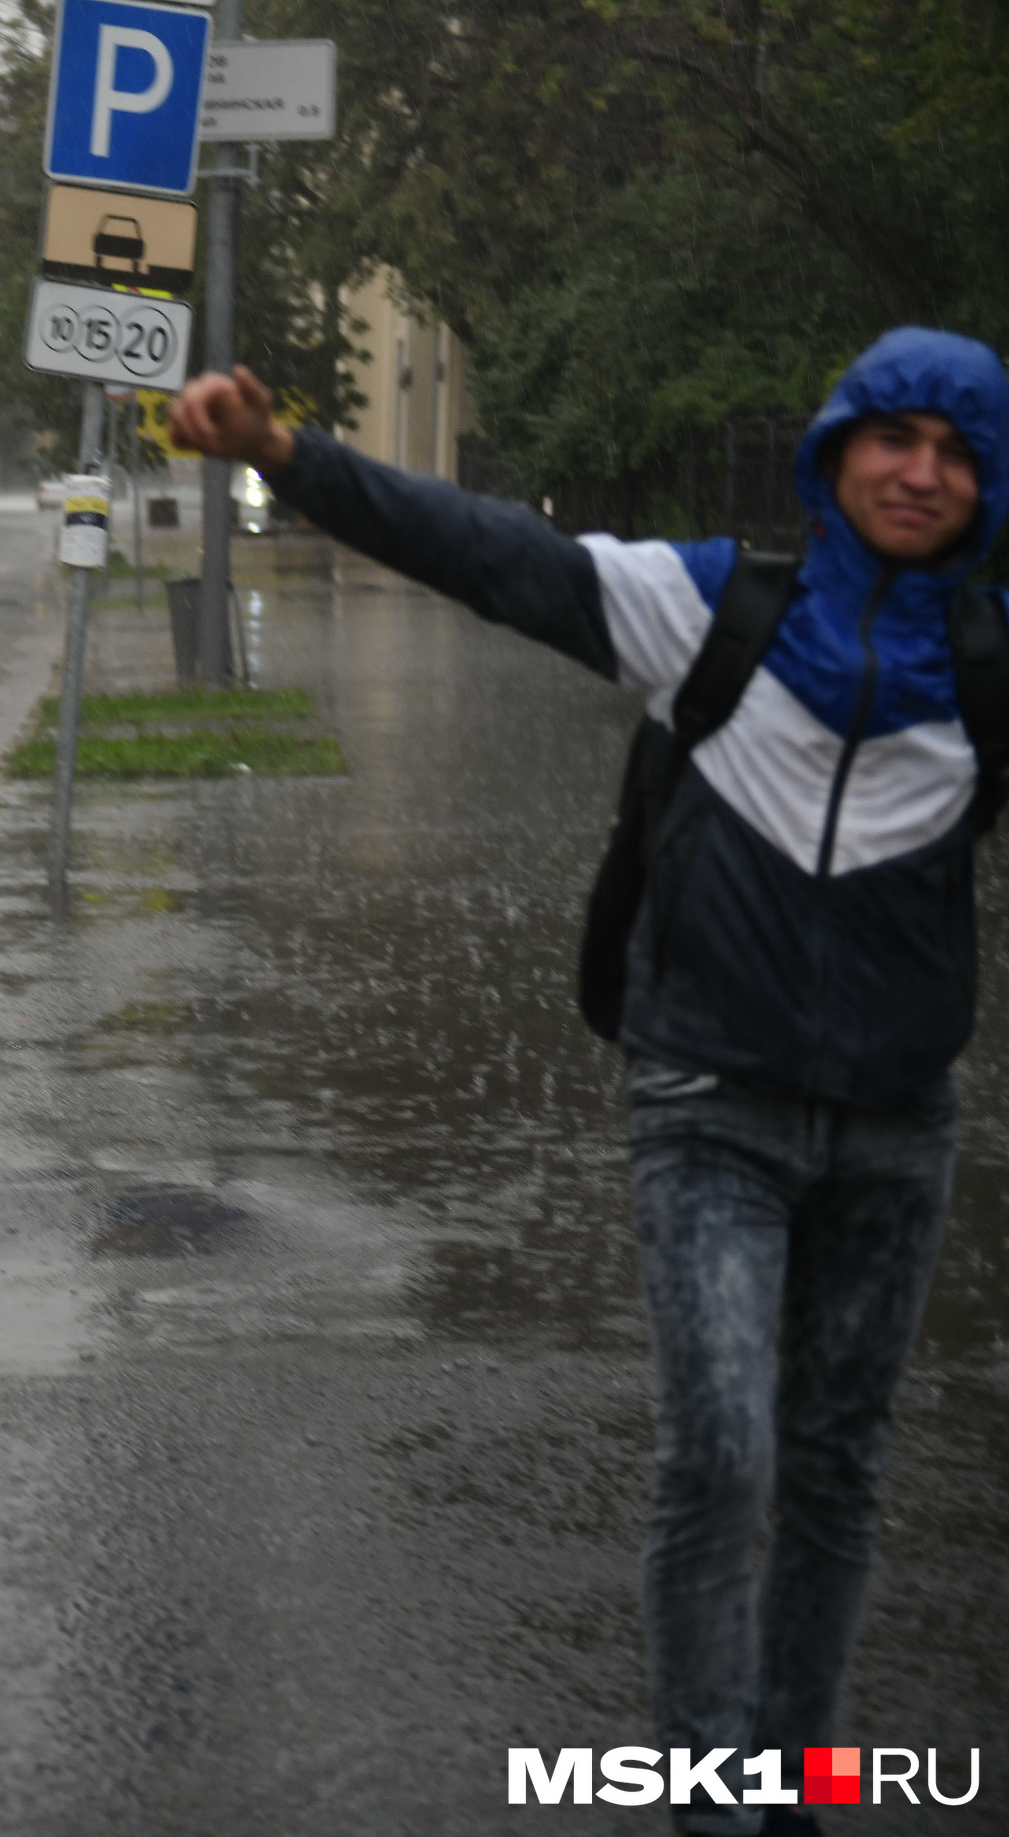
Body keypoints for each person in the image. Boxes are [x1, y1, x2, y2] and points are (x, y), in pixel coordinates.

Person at [169, 329, 1007, 1837]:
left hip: (898, 1127)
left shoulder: (990, 665)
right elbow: (491, 552)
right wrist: (289, 457)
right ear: (838, 452)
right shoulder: (712, 612)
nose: (923, 472)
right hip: (711, 1109)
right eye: (897, 438)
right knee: (727, 1451)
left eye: (960, 454)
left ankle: (792, 1790)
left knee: (832, 1473)